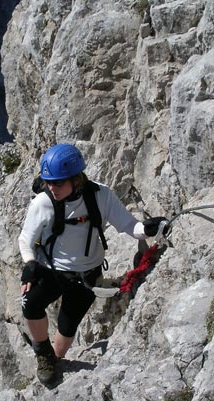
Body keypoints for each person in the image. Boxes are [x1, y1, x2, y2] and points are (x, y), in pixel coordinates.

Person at [18, 143, 165, 384]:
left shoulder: (101, 195)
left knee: (67, 326)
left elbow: (129, 225)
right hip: (51, 270)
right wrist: (30, 264)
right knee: (30, 305)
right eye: (49, 182)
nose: (52, 188)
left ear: (76, 180)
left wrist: (147, 229)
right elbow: (26, 239)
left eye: (58, 182)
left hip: (85, 275)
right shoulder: (43, 203)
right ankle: (43, 356)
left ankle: (55, 360)